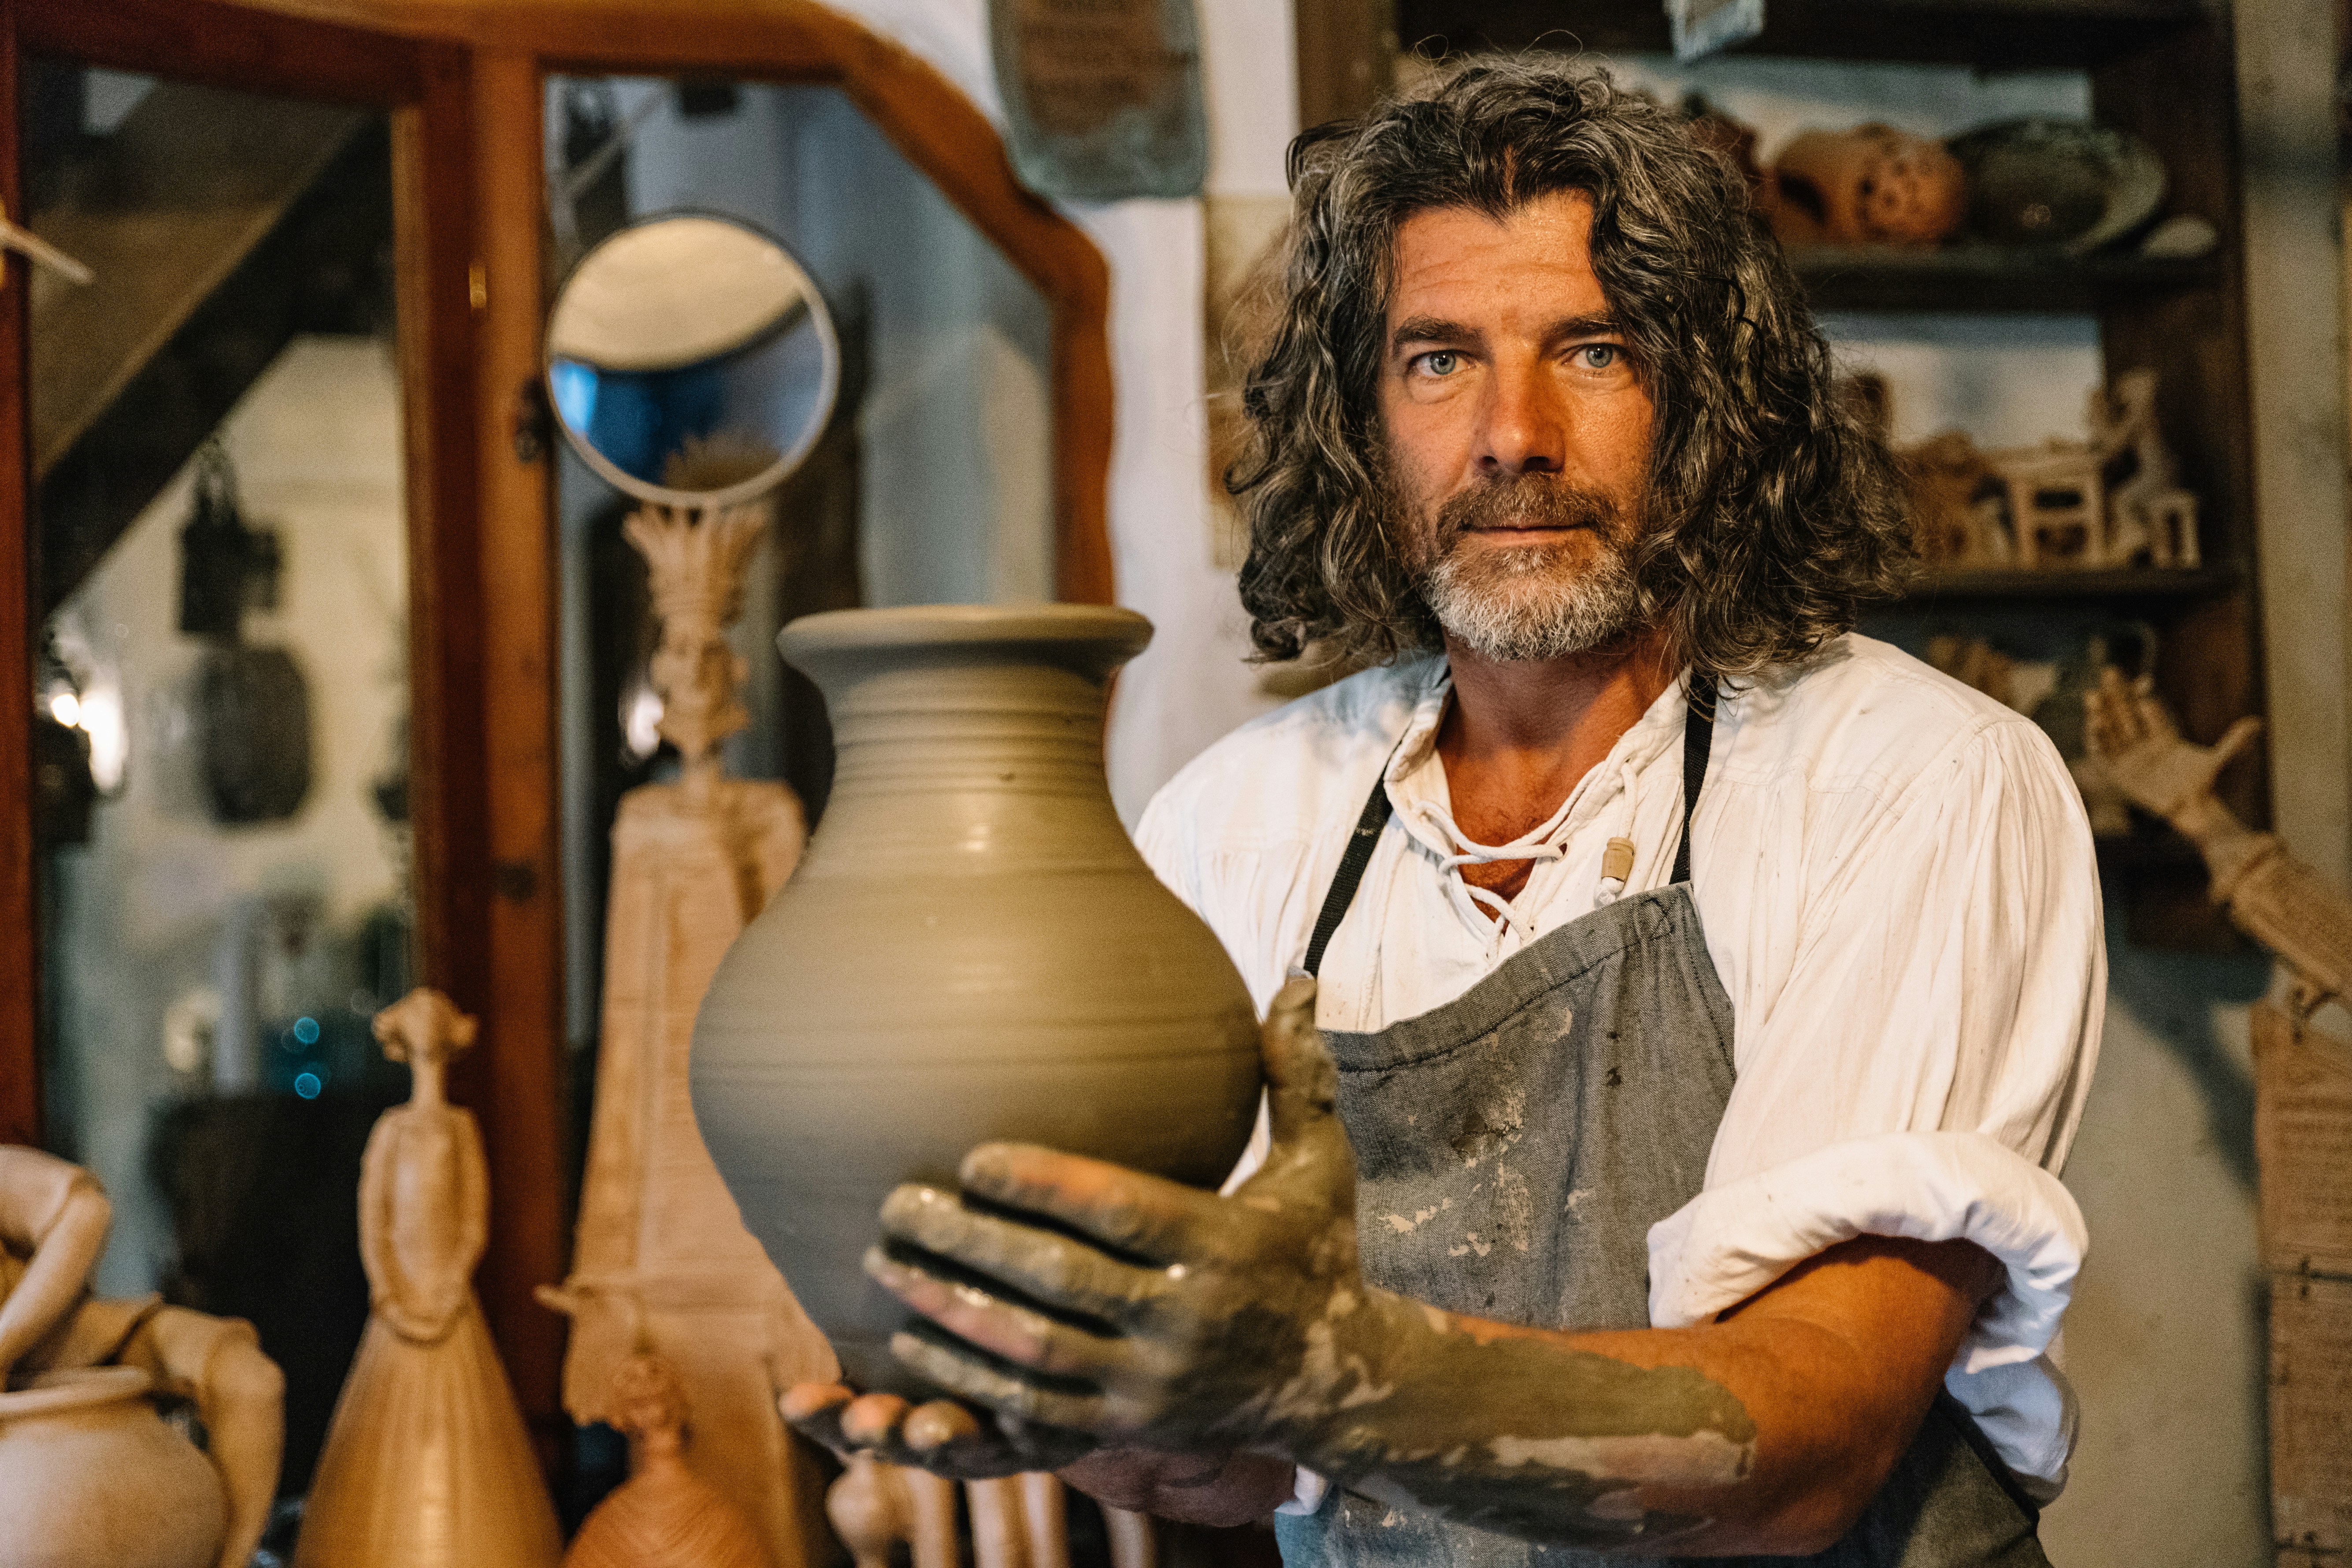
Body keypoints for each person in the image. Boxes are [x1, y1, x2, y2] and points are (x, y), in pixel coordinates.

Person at [787, 60, 2101, 1565]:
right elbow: (1233, 1461)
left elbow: (1799, 1445)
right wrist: (1064, 1395)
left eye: (1592, 348)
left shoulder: (1910, 781)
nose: (1509, 434)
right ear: (1358, 421)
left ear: (1708, 401)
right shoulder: (1240, 821)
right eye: (1433, 360)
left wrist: (1321, 1366)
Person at [0, 1143, 285, 1568]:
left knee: (252, 1381)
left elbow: (85, 1213)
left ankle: (233, 1560)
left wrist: (4, 1344)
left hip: (82, 1344)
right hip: (22, 1425)